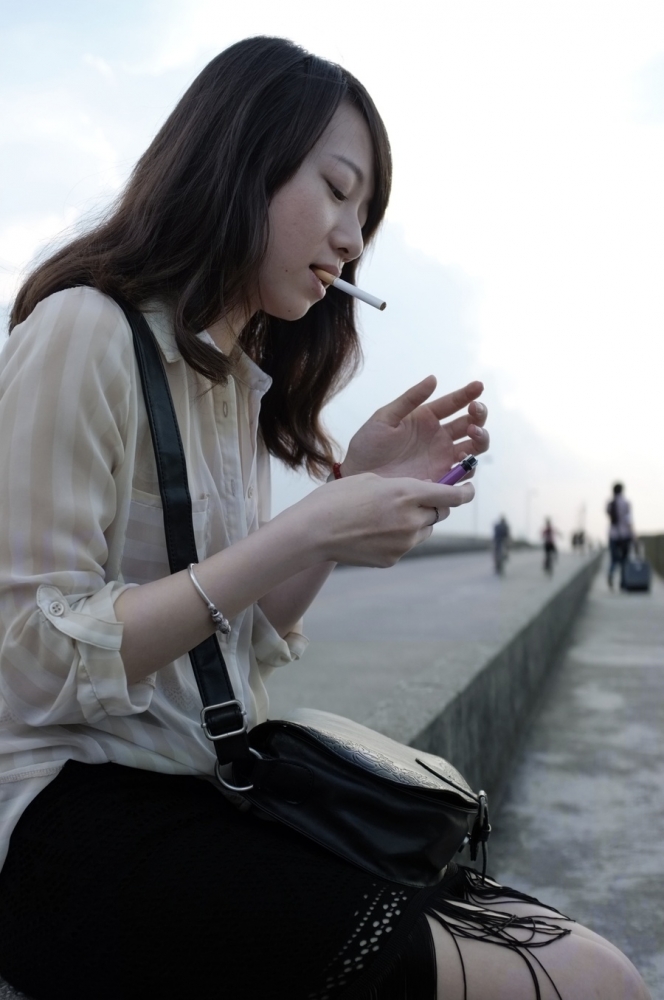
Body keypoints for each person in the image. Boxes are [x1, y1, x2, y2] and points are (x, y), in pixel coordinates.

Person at [0, 37, 649, 1000]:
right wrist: (309, 527)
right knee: (583, 978)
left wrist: (346, 498)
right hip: (60, 823)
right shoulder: (83, 330)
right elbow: (29, 656)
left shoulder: (231, 385)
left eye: (365, 217)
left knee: (582, 959)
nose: (351, 239)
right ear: (240, 159)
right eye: (337, 191)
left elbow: (230, 635)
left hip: (197, 786)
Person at [607, 482, 636, 589]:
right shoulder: (626, 503)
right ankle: (623, 583)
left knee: (614, 559)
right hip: (625, 535)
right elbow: (629, 521)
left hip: (613, 534)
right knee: (624, 560)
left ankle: (611, 573)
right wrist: (633, 536)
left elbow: (609, 516)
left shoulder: (610, 504)